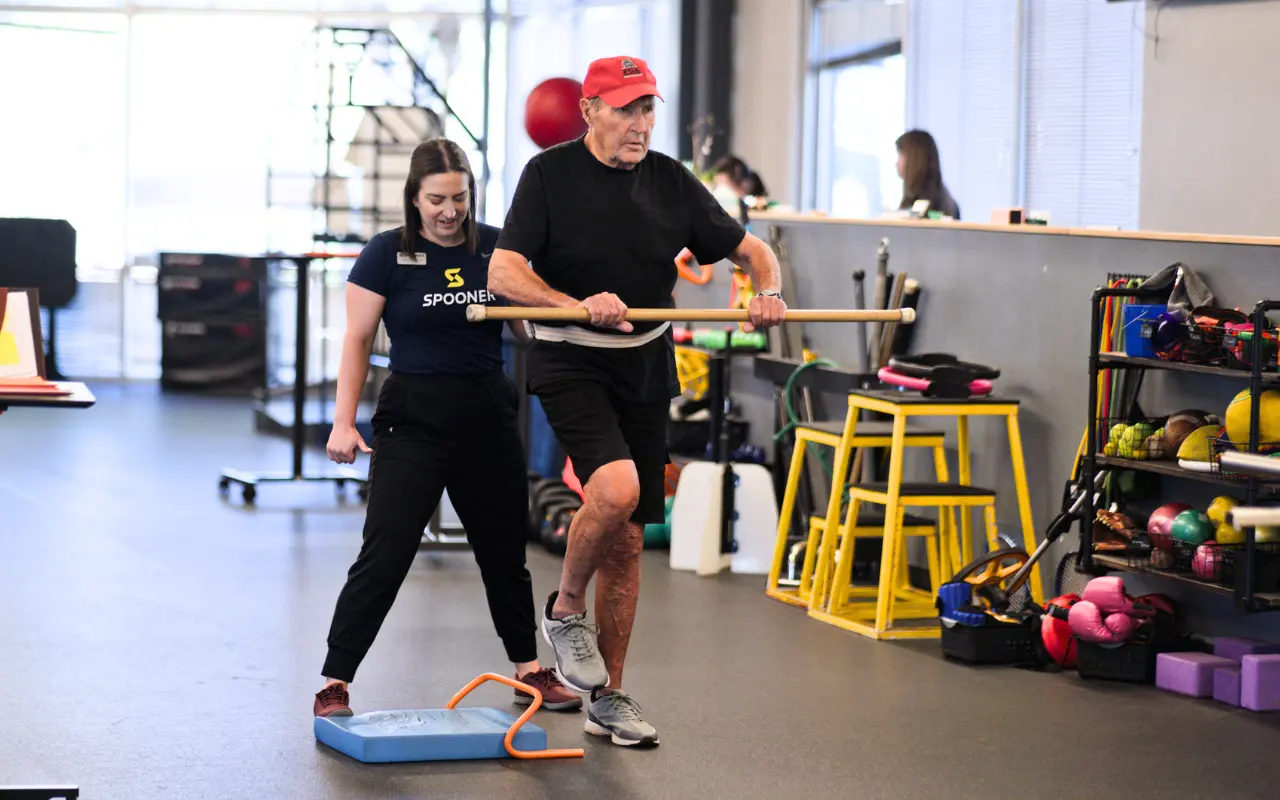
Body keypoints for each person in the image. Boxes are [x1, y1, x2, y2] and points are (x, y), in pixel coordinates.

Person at [488, 55, 787, 748]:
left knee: (626, 540)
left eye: (647, 107)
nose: (639, 122)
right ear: (589, 109)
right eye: (625, 108)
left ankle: (608, 698)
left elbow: (752, 250)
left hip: (646, 365)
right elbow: (504, 270)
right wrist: (574, 305)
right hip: (571, 359)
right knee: (617, 489)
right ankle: (564, 609)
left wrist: (766, 291)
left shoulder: (671, 183)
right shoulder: (549, 176)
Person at [313, 137, 579, 718]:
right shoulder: (385, 253)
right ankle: (335, 681)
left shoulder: (496, 251)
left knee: (504, 554)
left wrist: (563, 313)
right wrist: (342, 421)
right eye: (436, 199)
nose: (449, 210)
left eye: (458, 197)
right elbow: (357, 341)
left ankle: (528, 670)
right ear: (414, 197)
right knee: (384, 555)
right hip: (413, 420)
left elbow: (531, 326)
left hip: (485, 415)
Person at [895, 129, 960, 220]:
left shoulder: (923, 207)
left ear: (914, 159)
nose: (896, 163)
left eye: (901, 155)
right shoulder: (947, 202)